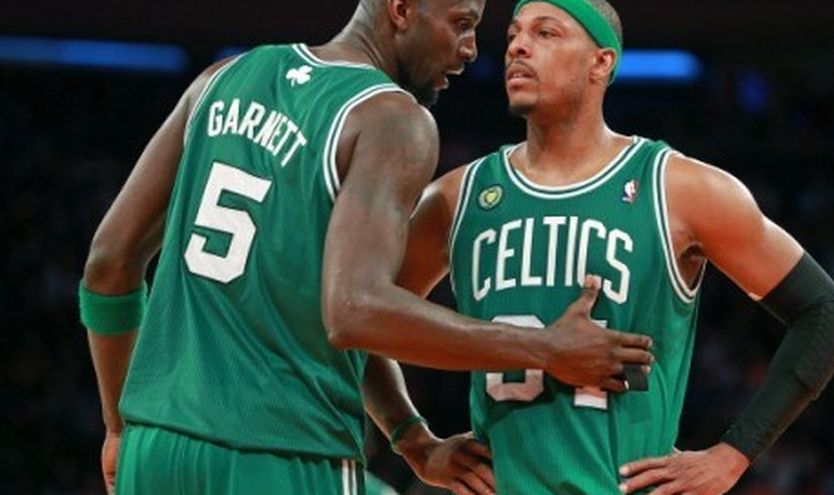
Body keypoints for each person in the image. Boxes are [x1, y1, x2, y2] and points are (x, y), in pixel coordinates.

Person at [80, 0, 657, 493]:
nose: (471, 50)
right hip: (282, 451)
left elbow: (108, 264)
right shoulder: (392, 118)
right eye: (461, 23)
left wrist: (118, 427)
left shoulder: (219, 81)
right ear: (401, 9)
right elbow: (356, 311)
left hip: (153, 449)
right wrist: (545, 348)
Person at [394, 0, 834, 494]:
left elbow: (829, 316)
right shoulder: (457, 197)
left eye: (545, 33)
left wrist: (732, 455)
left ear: (601, 62)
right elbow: (360, 317)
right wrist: (412, 440)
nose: (518, 47)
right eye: (513, 34)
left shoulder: (679, 187)